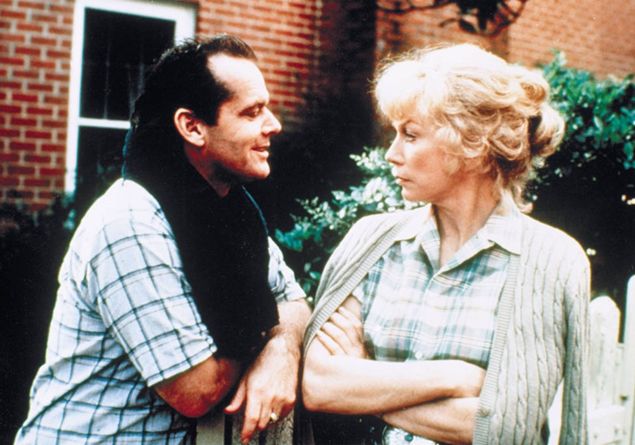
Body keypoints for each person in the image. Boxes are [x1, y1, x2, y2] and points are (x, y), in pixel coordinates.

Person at [15, 34, 310, 444]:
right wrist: (269, 330)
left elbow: (295, 302)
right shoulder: (131, 222)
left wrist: (281, 351)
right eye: (252, 112)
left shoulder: (230, 212)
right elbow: (197, 390)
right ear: (192, 126)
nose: (273, 124)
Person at [302, 43, 590, 444]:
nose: (391, 154)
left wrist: (363, 385)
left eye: (410, 135)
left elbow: (503, 428)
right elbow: (319, 386)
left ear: (471, 143)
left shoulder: (549, 261)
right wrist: (453, 378)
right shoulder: (371, 241)